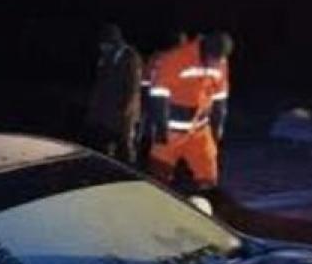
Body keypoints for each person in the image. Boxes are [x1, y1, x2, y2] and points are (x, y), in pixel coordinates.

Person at [145, 31, 234, 195]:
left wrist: (216, 129)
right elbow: (158, 94)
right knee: (159, 175)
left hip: (200, 130)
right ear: (205, 50)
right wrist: (161, 129)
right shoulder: (175, 58)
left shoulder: (221, 61)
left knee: (209, 174)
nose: (216, 63)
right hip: (171, 132)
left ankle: (207, 202)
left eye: (219, 59)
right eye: (213, 59)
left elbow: (220, 99)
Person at [83, 23, 142, 163]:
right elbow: (100, 84)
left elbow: (133, 88)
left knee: (123, 148)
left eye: (104, 43)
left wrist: (126, 112)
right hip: (104, 112)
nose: (102, 47)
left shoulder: (129, 56)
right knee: (102, 146)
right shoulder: (106, 57)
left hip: (121, 114)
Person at [138, 30, 190, 166]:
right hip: (172, 106)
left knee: (150, 136)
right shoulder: (183, 61)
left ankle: (146, 162)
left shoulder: (156, 57)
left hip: (153, 102)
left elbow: (145, 81)